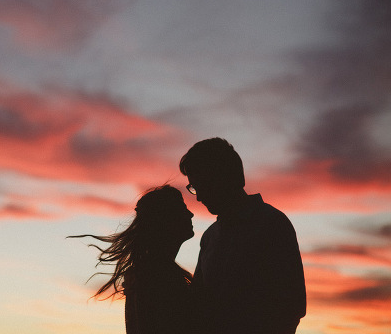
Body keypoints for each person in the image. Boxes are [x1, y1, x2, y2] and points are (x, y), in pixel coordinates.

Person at [179, 137, 306, 334]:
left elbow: (292, 304)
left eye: (205, 185)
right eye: (194, 188)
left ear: (230, 178)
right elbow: (198, 302)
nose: (199, 197)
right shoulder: (210, 237)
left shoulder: (272, 224)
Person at [71, 185, 196, 334]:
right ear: (165, 219)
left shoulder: (150, 271)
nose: (191, 214)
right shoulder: (158, 274)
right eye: (182, 209)